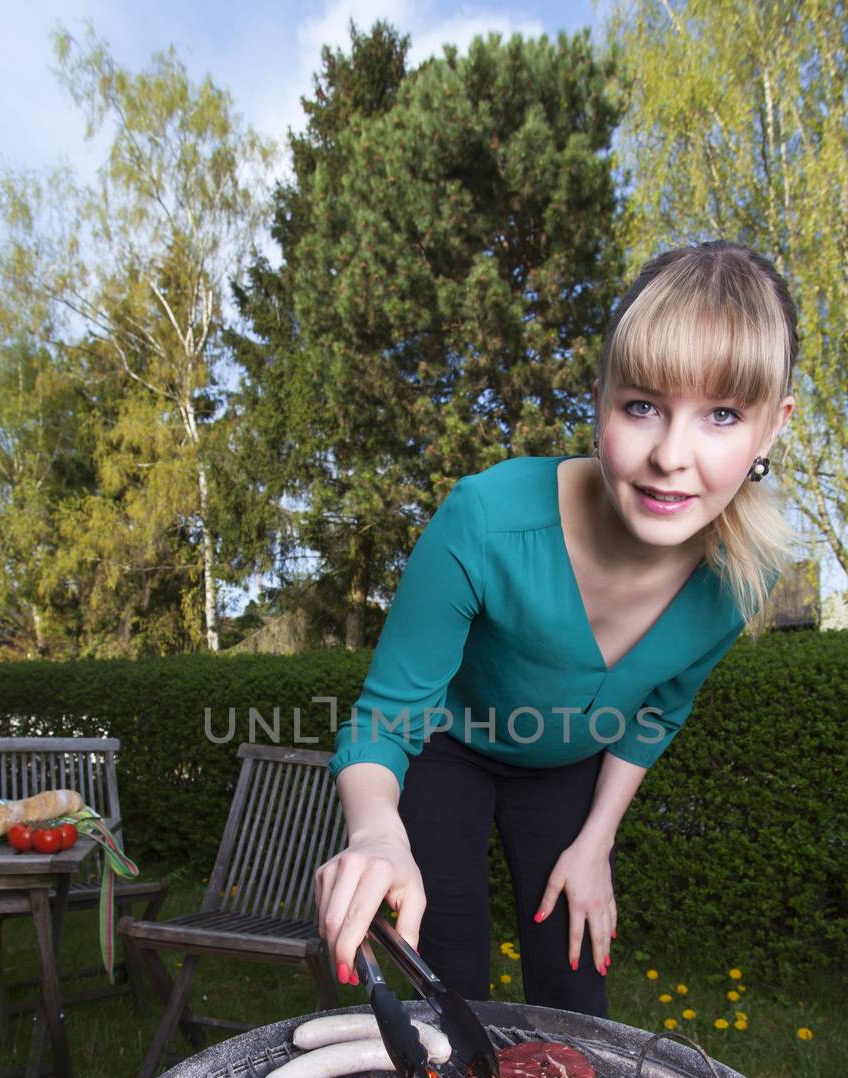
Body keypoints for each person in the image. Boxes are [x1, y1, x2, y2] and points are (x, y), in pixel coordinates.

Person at [315, 240, 798, 1017]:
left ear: (771, 429)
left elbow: (655, 714)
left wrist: (596, 840)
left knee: (574, 980)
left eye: (720, 415)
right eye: (641, 405)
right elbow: (384, 719)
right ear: (600, 396)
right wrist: (376, 833)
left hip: (568, 771)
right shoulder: (483, 519)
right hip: (448, 753)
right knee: (446, 974)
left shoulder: (741, 577)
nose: (670, 455)